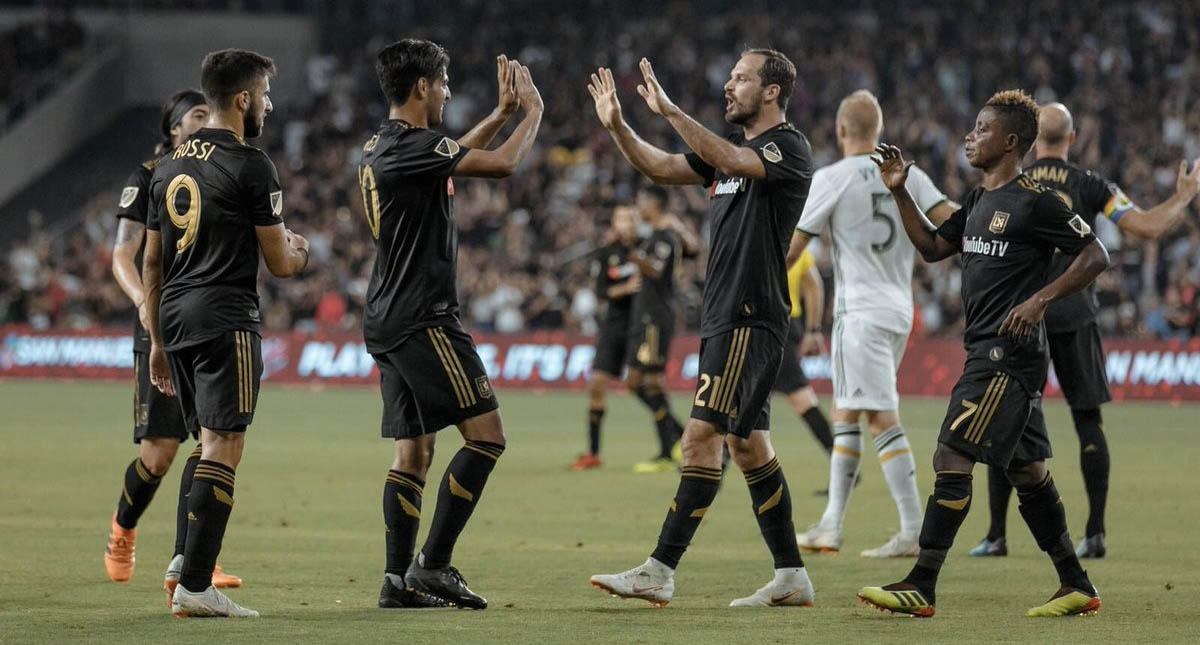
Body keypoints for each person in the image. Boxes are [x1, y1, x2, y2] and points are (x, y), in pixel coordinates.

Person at [857, 90, 1108, 618]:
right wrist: (900, 193)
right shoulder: (975, 201)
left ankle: (921, 582)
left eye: (981, 128)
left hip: (1007, 356)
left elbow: (1095, 254)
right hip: (987, 350)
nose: (970, 135)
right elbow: (930, 249)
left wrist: (1040, 300)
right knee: (1028, 472)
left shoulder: (1036, 200)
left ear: (1012, 141)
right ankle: (1075, 582)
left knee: (952, 453)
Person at [586, 49, 817, 607]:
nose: (729, 85)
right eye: (730, 74)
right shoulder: (727, 156)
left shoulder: (786, 146)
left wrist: (668, 109)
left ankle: (659, 570)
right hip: (727, 315)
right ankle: (791, 575)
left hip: (747, 314)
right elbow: (660, 167)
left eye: (741, 78)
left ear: (771, 92)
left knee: (700, 441)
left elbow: (738, 162)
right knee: (749, 445)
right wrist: (619, 126)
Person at [358, 39, 542, 610]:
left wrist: (500, 113)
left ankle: (395, 582)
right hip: (424, 318)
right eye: (443, 83)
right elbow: (505, 164)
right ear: (420, 88)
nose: (448, 91)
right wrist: (532, 112)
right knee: (487, 437)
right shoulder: (413, 145)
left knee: (412, 454)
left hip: (386, 316)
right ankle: (432, 566)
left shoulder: (380, 147)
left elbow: (451, 151)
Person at [970, 102, 1200, 559]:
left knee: (1007, 420)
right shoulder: (1092, 185)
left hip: (1024, 314)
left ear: (1033, 141)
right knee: (1087, 420)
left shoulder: (1018, 183)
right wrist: (1184, 197)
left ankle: (996, 535)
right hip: (1074, 312)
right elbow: (1146, 228)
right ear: (1072, 139)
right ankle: (1094, 532)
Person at [144, 49, 310, 618]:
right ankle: (194, 585)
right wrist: (301, 251)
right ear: (242, 99)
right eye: (264, 94)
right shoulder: (251, 163)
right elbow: (281, 264)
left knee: (206, 442)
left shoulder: (167, 166)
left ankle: (181, 561)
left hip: (177, 320)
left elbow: (151, 264)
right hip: (225, 315)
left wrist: (159, 342)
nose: (268, 104)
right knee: (225, 446)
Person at [786, 90, 958, 557]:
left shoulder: (833, 177)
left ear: (842, 131)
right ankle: (831, 524)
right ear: (877, 132)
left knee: (880, 416)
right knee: (848, 412)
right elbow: (956, 224)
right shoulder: (912, 176)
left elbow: (794, 250)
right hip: (899, 309)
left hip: (859, 312)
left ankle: (911, 529)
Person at [104, 89, 242, 601]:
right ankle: (123, 527)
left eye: (211, 113)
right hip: (160, 324)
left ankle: (191, 565)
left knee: (210, 441)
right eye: (198, 115)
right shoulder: (149, 175)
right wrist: (144, 301)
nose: (208, 121)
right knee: (159, 455)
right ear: (174, 128)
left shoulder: (220, 168)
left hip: (204, 321)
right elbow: (123, 252)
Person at [627, 185, 696, 474]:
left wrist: (630, 253)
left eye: (642, 199)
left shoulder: (664, 236)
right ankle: (677, 437)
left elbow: (655, 269)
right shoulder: (654, 236)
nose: (638, 205)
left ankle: (673, 447)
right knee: (634, 381)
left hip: (656, 316)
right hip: (644, 315)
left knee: (653, 381)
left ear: (655, 204)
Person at [569, 206, 641, 471]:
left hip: (640, 326)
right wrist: (625, 288)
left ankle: (675, 442)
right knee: (597, 384)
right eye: (621, 219)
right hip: (614, 326)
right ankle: (593, 452)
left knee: (644, 386)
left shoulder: (647, 248)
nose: (626, 223)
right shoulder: (607, 254)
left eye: (630, 218)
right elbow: (601, 291)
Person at [771, 246, 837, 491]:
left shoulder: (785, 242)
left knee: (800, 399)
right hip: (783, 326)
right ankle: (843, 465)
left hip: (778, 327)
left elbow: (814, 286)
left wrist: (813, 331)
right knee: (747, 398)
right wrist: (811, 330)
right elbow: (814, 286)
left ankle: (843, 465)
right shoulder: (797, 244)